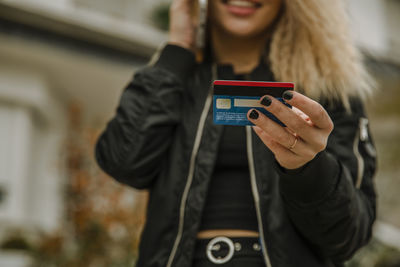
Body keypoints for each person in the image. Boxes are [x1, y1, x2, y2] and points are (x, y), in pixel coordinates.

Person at [95, 0, 377, 266]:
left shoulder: (327, 90)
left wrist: (309, 168)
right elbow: (123, 162)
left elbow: (349, 236)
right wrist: (179, 45)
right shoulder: (174, 78)